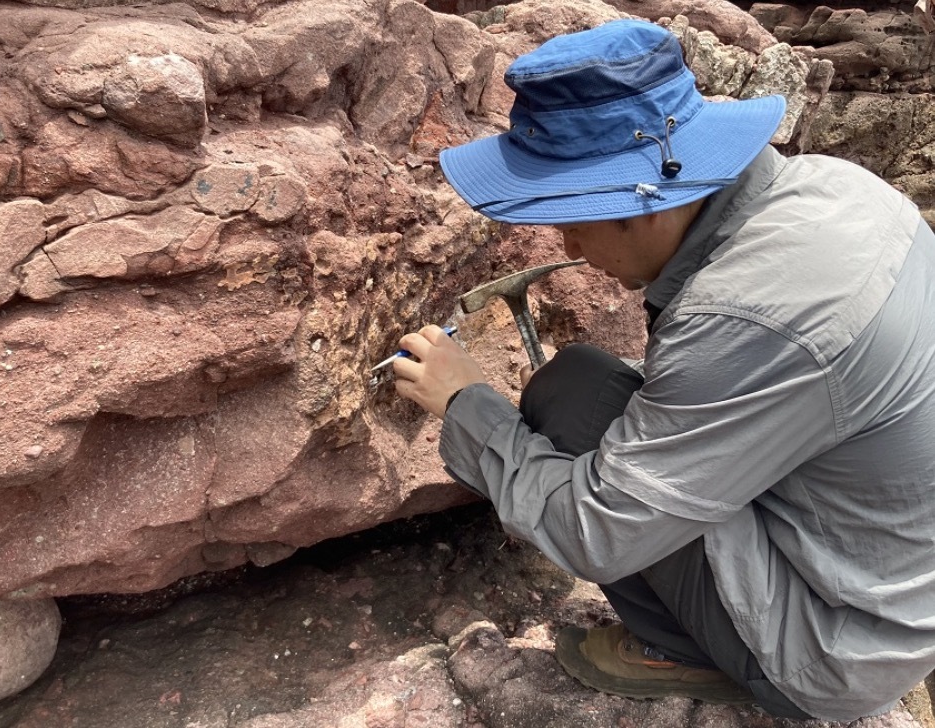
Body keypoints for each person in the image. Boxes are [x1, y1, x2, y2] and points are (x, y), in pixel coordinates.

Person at [391, 18, 935, 722]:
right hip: (893, 584)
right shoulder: (837, 187)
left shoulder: (743, 316)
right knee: (585, 380)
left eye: (575, 218)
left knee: (571, 402)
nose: (569, 245)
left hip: (838, 645)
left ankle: (689, 650)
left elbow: (595, 532)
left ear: (647, 203)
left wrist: (466, 401)